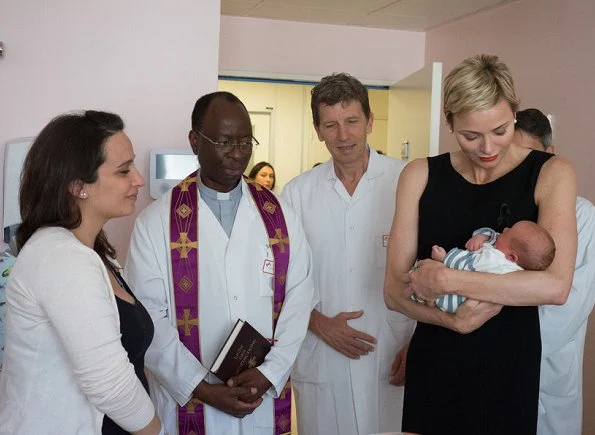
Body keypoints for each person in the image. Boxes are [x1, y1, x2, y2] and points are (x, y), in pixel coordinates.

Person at [383, 54, 577, 434]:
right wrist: (451, 320)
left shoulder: (551, 173)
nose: (488, 147)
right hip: (435, 360)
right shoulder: (419, 175)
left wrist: (447, 281)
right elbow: (392, 290)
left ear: (515, 115)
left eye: (501, 130)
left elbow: (555, 286)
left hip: (509, 363)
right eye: (471, 135)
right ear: (450, 122)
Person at [124, 91, 314, 435]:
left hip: (262, 397)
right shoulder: (157, 222)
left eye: (245, 141)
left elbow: (300, 299)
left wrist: (270, 372)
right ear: (195, 141)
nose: (238, 153)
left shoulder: (280, 215)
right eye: (225, 142)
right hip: (192, 405)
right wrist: (202, 387)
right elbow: (148, 317)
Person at [0, 111, 161, 435]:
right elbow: (110, 384)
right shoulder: (62, 258)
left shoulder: (92, 253)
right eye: (123, 170)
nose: (139, 179)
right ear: (78, 186)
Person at [282, 72, 414, 435]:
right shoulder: (296, 195)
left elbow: (428, 268)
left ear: (369, 121)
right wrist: (319, 324)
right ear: (318, 129)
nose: (343, 135)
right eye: (331, 125)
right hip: (322, 354)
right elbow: (277, 282)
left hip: (392, 350)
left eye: (352, 121)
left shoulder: (407, 181)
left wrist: (419, 345)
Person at [515, 107, 595, 435]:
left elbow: (570, 304)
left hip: (548, 372)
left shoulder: (583, 216)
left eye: (531, 157)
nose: (523, 169)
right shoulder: (503, 210)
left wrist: (499, 342)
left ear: (552, 156)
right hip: (492, 369)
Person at [431, 221, 556, 312]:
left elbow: (468, 263)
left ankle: (430, 301)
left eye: (509, 231)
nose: (505, 229)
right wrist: (481, 237)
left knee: (432, 286)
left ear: (512, 257)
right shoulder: (505, 254)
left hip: (456, 300)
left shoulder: (495, 264)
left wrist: (445, 257)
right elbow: (494, 235)